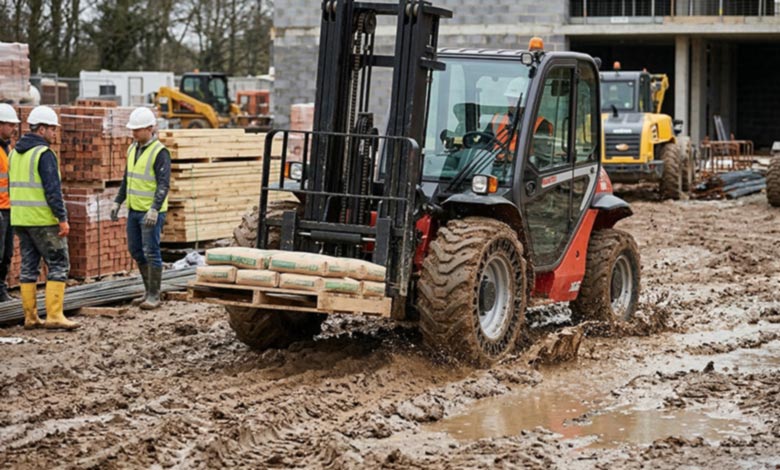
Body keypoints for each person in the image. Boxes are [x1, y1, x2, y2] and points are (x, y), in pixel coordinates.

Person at [9, 105, 78, 330]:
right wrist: (62, 218)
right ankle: (55, 315)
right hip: (43, 220)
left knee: (29, 267)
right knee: (58, 263)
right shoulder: (44, 154)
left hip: (20, 219)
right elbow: (52, 190)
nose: (54, 133)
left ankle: (30, 317)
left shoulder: (15, 153)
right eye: (52, 129)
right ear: (41, 130)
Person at [111, 107, 170, 310]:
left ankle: (154, 294)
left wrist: (155, 208)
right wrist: (117, 201)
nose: (134, 133)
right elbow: (128, 179)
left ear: (149, 128)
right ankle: (147, 291)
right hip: (134, 210)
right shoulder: (132, 149)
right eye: (132, 130)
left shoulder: (159, 152)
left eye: (137, 130)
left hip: (150, 212)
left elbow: (163, 184)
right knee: (136, 250)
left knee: (151, 251)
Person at [0, 104, 20, 302]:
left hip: (8, 210)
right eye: (10, 124)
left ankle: (1, 291)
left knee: (6, 254)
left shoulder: (8, 148)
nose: (14, 128)